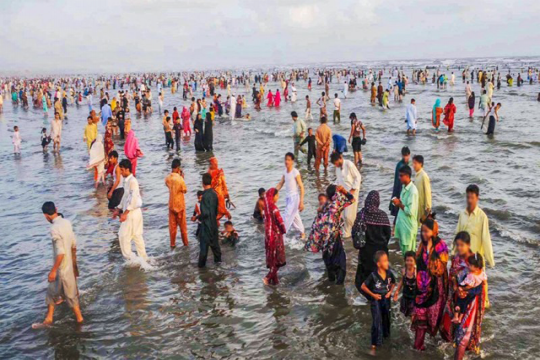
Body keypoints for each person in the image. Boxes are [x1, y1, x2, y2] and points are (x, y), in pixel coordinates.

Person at [35, 202, 83, 328]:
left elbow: (60, 253)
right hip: (69, 265)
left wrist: (53, 270)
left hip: (61, 268)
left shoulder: (54, 228)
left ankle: (76, 319)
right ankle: (51, 317)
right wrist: (74, 264)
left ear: (46, 215)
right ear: (56, 209)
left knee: (54, 293)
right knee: (68, 294)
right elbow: (73, 244)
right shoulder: (66, 222)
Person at [440, 232, 487, 359]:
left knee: (464, 334)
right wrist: (456, 287)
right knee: (450, 328)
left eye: (462, 245)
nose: (459, 248)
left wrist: (484, 299)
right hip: (456, 296)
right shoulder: (456, 259)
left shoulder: (474, 260)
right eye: (457, 245)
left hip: (470, 301)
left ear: (469, 245)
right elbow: (453, 276)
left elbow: (482, 281)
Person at [411, 216, 449, 351]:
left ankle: (446, 342)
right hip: (421, 288)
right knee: (420, 317)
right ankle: (418, 346)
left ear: (434, 231)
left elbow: (441, 268)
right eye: (422, 231)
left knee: (435, 317)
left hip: (436, 289)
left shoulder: (441, 246)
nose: (424, 234)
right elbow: (417, 261)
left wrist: (429, 264)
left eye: (426, 231)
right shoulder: (422, 245)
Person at [305, 185, 354, 284]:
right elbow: (352, 199)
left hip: (325, 241)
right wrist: (344, 190)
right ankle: (339, 290)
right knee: (341, 265)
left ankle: (331, 288)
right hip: (335, 239)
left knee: (329, 266)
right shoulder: (337, 205)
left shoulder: (323, 207)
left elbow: (317, 225)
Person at [352, 190, 391, 293]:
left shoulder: (361, 215)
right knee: (381, 278)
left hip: (366, 254)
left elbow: (354, 233)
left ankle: (370, 299)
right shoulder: (383, 216)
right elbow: (388, 235)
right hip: (381, 254)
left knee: (363, 280)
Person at [112, 159, 148, 262]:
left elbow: (133, 199)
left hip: (132, 213)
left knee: (123, 236)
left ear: (128, 169)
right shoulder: (126, 181)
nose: (121, 172)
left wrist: (125, 214)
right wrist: (118, 209)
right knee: (136, 237)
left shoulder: (133, 182)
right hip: (132, 213)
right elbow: (125, 196)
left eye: (122, 170)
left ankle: (132, 259)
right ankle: (143, 259)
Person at [360, 251, 396, 350]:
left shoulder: (389, 274)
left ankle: (386, 339)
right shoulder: (373, 275)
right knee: (377, 321)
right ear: (378, 264)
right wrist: (373, 295)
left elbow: (393, 283)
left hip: (386, 300)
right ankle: (374, 345)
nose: (387, 263)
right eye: (384, 261)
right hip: (376, 301)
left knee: (386, 320)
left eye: (387, 260)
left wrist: (390, 292)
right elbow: (363, 286)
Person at [455, 185, 494, 268]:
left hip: (475, 260)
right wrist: (453, 252)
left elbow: (486, 239)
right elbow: (457, 234)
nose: (469, 200)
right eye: (468, 197)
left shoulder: (482, 217)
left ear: (477, 198)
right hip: (462, 257)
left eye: (472, 198)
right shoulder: (462, 214)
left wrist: (490, 261)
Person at [275, 152, 305, 238]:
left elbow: (302, 187)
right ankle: (302, 233)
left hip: (294, 198)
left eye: (288, 160)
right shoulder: (285, 172)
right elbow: (281, 183)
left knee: (287, 215)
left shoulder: (295, 172)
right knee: (295, 217)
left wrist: (301, 202)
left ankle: (281, 233)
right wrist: (273, 192)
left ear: (292, 161)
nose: (286, 162)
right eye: (285, 159)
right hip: (288, 198)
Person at [331, 152, 361, 238]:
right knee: (343, 216)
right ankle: (347, 235)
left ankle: (353, 231)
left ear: (339, 159)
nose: (335, 165)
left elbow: (358, 177)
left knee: (349, 216)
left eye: (336, 163)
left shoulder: (349, 164)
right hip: (342, 194)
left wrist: (353, 190)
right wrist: (333, 186)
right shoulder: (337, 169)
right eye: (334, 164)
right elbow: (338, 180)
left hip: (352, 193)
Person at [452, 253, 486, 323]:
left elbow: (467, 284)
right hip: (476, 291)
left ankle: (456, 317)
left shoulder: (471, 275)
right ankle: (460, 319)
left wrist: (460, 287)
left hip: (468, 290)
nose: (468, 266)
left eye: (470, 265)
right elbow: (484, 281)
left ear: (476, 267)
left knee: (459, 302)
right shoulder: (482, 272)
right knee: (466, 303)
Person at [392, 165, 419, 254]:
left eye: (401, 176)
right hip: (403, 227)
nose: (399, 178)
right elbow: (404, 204)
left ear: (407, 176)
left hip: (408, 228)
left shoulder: (412, 191)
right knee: (405, 254)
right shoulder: (404, 187)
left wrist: (399, 204)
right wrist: (398, 202)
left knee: (409, 255)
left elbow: (410, 211)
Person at [262, 188, 287, 285]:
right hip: (276, 237)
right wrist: (283, 230)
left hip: (268, 237)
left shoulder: (266, 208)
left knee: (272, 259)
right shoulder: (274, 208)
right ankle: (267, 277)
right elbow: (280, 222)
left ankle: (275, 282)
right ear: (273, 196)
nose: (278, 197)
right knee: (278, 260)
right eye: (277, 195)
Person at [197, 173, 221, 268]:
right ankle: (219, 269)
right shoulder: (215, 194)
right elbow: (215, 211)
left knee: (203, 251)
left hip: (206, 226)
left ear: (203, 183)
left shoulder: (204, 196)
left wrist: (198, 217)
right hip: (214, 225)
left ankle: (201, 271)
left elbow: (205, 213)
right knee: (216, 249)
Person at [165, 159, 188, 248]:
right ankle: (185, 244)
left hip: (171, 205)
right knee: (183, 228)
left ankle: (172, 245)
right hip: (180, 205)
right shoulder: (180, 179)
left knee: (172, 228)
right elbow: (184, 190)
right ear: (178, 167)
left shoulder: (168, 178)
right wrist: (182, 177)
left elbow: (168, 185)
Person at [389, 147, 411, 227]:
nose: (406, 157)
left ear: (409, 155)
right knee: (398, 212)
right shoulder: (400, 166)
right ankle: (394, 229)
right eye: (404, 156)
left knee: (399, 212)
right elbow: (399, 182)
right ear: (402, 155)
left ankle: (395, 229)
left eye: (407, 156)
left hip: (401, 190)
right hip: (399, 191)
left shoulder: (404, 164)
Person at [393, 251, 417, 317]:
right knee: (406, 314)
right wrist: (397, 291)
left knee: (413, 315)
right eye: (407, 260)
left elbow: (420, 284)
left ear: (415, 261)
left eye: (411, 260)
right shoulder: (404, 271)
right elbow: (402, 281)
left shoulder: (416, 272)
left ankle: (412, 326)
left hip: (414, 297)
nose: (409, 262)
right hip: (406, 296)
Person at [412, 155, 432, 225]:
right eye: (413, 163)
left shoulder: (424, 176)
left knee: (423, 226)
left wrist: (428, 209)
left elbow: (428, 193)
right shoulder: (416, 175)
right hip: (417, 205)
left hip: (423, 207)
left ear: (420, 164)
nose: (413, 165)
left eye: (415, 163)